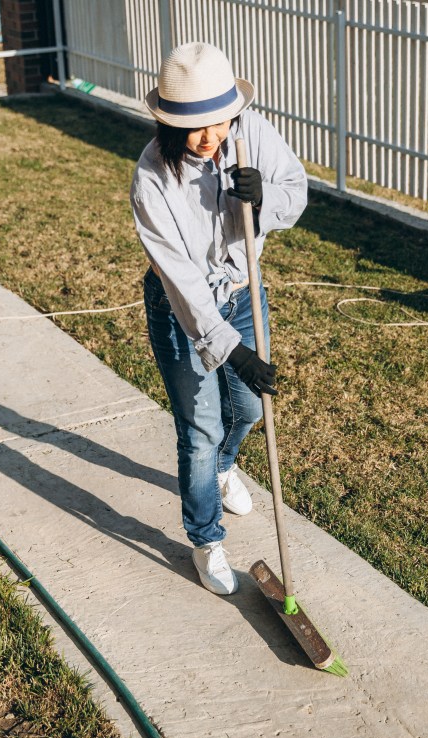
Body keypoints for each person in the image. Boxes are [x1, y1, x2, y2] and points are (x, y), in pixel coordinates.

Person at [131, 41, 308, 595]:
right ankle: (206, 541)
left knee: (251, 406)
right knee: (200, 429)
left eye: (220, 122)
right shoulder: (151, 179)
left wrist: (266, 199)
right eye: (197, 128)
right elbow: (182, 283)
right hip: (182, 309)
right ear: (169, 123)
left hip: (243, 291)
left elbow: (296, 193)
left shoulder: (250, 132)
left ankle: (226, 466)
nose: (212, 138)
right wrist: (232, 348)